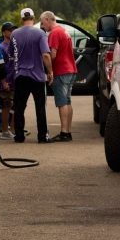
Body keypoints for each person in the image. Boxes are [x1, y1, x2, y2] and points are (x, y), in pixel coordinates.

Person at [11, 8, 54, 143]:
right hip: (37, 76)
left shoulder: (14, 34)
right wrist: (50, 71)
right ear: (33, 18)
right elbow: (46, 55)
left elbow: (12, 54)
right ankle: (42, 136)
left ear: (21, 19)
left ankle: (19, 136)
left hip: (21, 75)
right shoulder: (40, 33)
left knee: (19, 107)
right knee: (40, 107)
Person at [40, 11, 77, 142]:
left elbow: (53, 54)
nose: (42, 26)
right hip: (71, 69)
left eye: (43, 22)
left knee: (62, 102)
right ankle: (68, 131)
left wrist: (45, 64)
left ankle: (64, 132)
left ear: (48, 19)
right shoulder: (64, 31)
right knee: (67, 101)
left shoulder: (54, 33)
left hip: (61, 71)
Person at [0, 22, 16, 139]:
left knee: (16, 107)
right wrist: (3, 82)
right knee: (6, 106)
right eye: (9, 30)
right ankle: (4, 130)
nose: (12, 32)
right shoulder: (1, 47)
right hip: (7, 82)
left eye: (13, 30)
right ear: (4, 32)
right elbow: (0, 67)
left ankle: (13, 129)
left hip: (16, 81)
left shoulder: (15, 46)